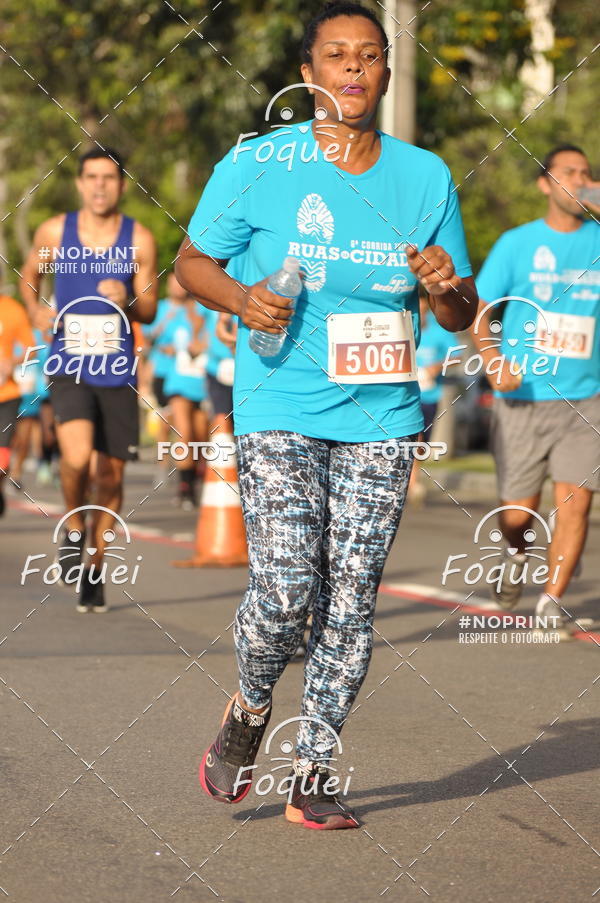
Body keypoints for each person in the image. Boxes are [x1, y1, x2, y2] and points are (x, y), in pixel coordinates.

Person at [176, 0, 477, 829]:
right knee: (283, 588)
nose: (353, 67)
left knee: (350, 601)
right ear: (307, 72)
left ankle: (312, 772)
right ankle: (247, 707)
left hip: (381, 414)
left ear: (385, 71)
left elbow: (459, 315)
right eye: (336, 54)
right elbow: (190, 262)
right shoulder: (257, 162)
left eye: (370, 55)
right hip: (279, 401)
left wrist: (449, 286)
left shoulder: (425, 177)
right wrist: (243, 298)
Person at [20, 146, 157, 611]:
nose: (100, 185)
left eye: (109, 178)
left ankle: (95, 566)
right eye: (92, 177)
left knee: (111, 474)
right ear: (81, 184)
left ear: (121, 185)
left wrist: (129, 299)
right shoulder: (55, 232)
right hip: (69, 362)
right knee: (77, 459)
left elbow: (152, 307)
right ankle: (74, 527)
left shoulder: (138, 239)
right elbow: (29, 274)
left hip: (117, 367)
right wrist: (36, 307)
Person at [472, 144, 600, 626]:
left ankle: (553, 603)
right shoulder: (517, 243)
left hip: (586, 398)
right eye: (569, 172)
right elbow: (483, 310)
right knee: (517, 516)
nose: (580, 179)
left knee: (575, 504)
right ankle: (516, 552)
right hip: (522, 396)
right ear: (544, 183)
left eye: (586, 172)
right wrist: (491, 357)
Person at [162, 296, 210, 508]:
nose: (194, 315)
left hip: (202, 387)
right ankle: (185, 487)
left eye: (198, 311)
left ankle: (194, 479)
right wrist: (170, 349)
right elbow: (159, 342)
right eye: (191, 309)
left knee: (201, 438)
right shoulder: (177, 323)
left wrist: (204, 346)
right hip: (179, 385)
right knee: (185, 433)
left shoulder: (212, 326)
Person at [409, 293, 456, 505]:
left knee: (420, 441)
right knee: (408, 437)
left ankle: (412, 479)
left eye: (424, 311)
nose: (421, 316)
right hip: (405, 394)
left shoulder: (439, 334)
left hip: (429, 393)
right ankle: (410, 481)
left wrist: (438, 366)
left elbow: (457, 355)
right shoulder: (404, 330)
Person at [0, 293, 34, 516]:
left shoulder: (12, 308)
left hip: (7, 394)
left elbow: (30, 348)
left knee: (2, 449)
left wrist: (11, 361)